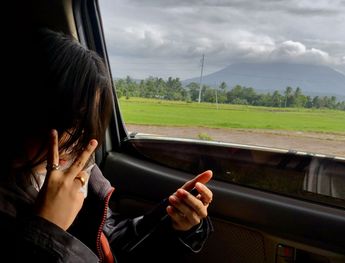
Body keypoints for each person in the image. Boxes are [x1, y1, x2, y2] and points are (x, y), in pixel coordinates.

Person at [0, 27, 214, 262]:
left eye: (86, 125)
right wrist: (46, 231)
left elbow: (107, 238)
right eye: (68, 121)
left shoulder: (75, 170)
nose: (76, 143)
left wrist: (172, 221)